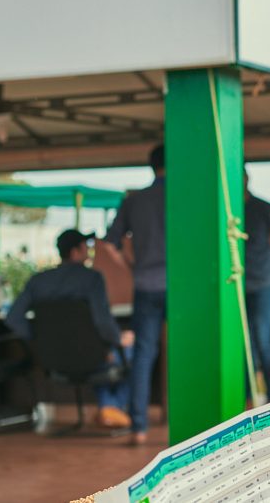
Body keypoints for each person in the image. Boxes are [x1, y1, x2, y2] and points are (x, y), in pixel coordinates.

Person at [6, 229, 134, 428]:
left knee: (102, 357)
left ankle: (108, 408)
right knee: (138, 348)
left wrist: (38, 340)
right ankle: (111, 406)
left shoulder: (38, 281)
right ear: (75, 252)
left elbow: (13, 318)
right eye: (85, 248)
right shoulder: (92, 279)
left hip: (52, 359)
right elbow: (103, 322)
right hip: (92, 356)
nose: (89, 252)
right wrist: (117, 339)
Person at [104, 144, 166, 446]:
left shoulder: (134, 200)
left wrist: (131, 266)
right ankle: (193, 423)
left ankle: (139, 427)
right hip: (182, 287)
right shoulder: (186, 196)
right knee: (188, 350)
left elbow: (110, 243)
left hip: (145, 283)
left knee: (143, 354)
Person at [243, 169, 270, 404]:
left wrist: (269, 274)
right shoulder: (228, 211)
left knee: (262, 339)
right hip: (237, 288)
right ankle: (247, 397)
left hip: (261, 285)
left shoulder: (264, 209)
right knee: (243, 344)